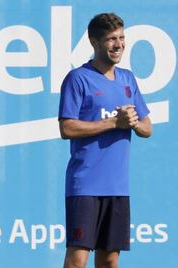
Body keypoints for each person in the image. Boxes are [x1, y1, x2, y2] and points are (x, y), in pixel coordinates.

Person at [58, 13, 152, 268]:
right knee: (78, 260)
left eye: (122, 38)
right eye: (111, 39)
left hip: (117, 187)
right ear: (94, 42)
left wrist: (133, 123)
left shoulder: (127, 79)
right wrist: (113, 123)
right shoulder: (78, 78)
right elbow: (66, 127)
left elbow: (147, 128)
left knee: (110, 260)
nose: (119, 44)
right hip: (85, 185)